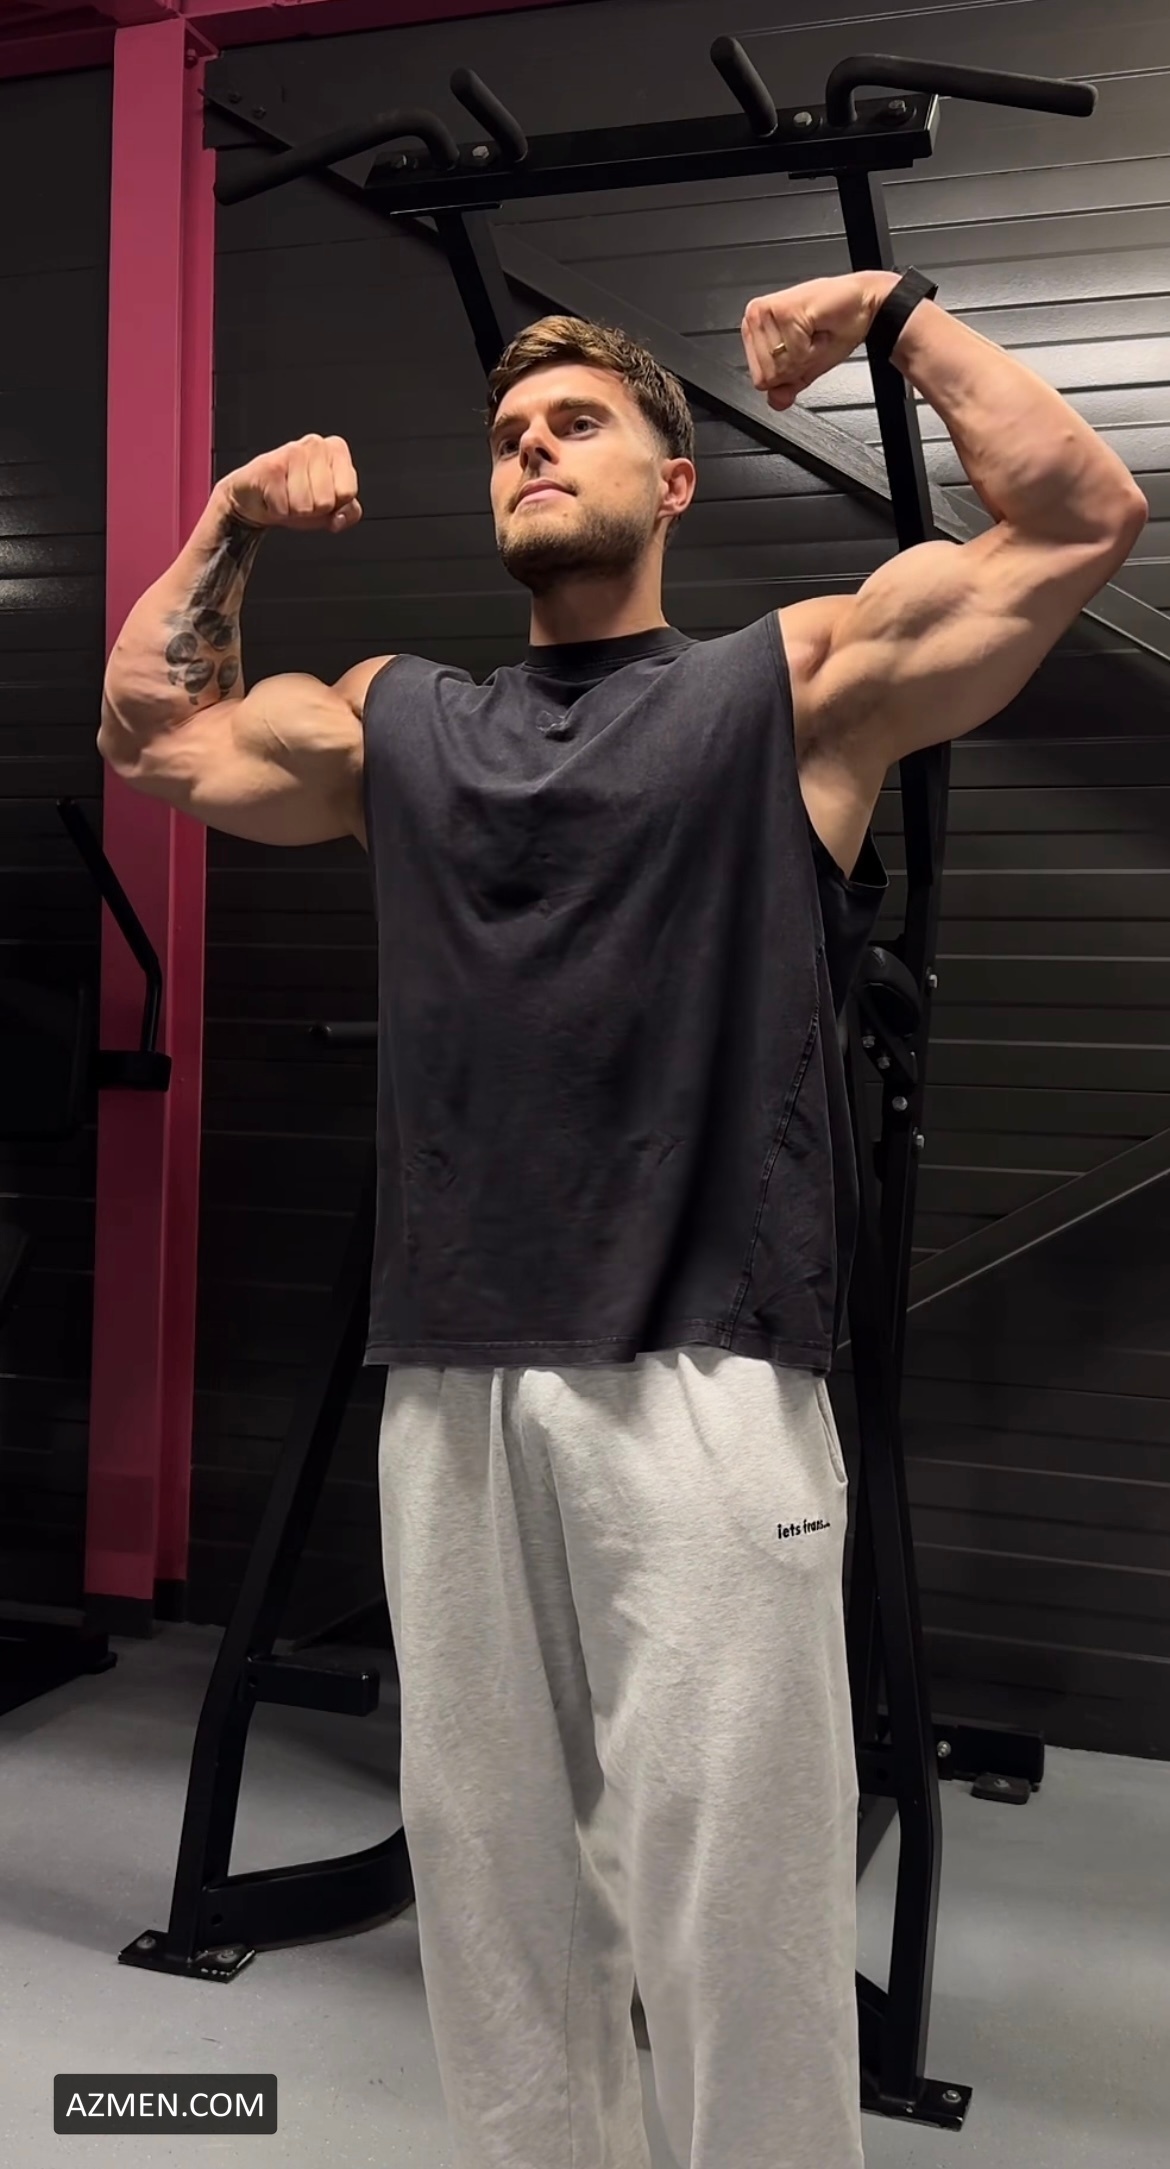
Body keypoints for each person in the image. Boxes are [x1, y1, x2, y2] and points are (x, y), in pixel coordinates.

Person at [99, 272, 1146, 2169]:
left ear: (674, 483)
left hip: (703, 1375)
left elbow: (1076, 519)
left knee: (735, 1910)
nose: (530, 447)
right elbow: (153, 735)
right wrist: (232, 516)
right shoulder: (398, 720)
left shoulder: (791, 685)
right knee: (494, 1894)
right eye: (509, 433)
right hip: (452, 1380)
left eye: (575, 422)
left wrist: (894, 316)